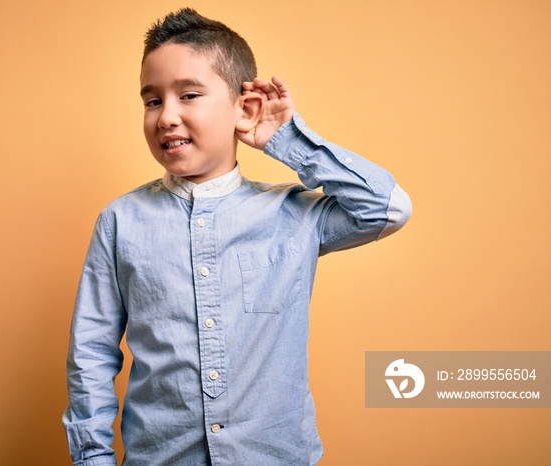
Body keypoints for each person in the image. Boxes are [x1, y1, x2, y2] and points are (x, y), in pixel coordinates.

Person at [63, 8, 411, 466]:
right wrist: (93, 459)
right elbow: (91, 355)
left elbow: (385, 207)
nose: (167, 116)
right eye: (152, 101)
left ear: (243, 108)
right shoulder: (120, 221)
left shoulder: (292, 214)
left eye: (188, 94)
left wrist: (286, 139)